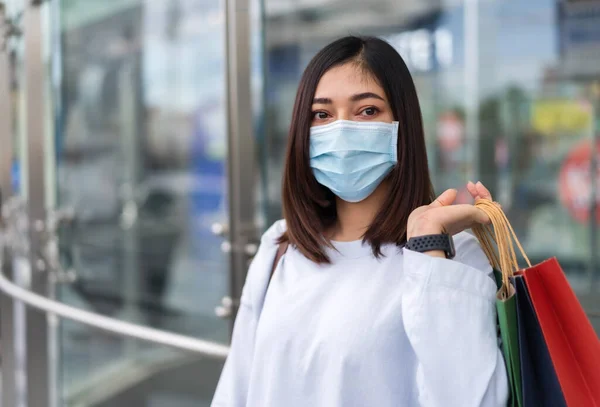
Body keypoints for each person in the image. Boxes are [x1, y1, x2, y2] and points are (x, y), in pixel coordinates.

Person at [212, 36, 508, 407]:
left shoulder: (455, 258)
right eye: (321, 114)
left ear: (403, 123)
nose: (341, 131)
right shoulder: (280, 247)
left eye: (367, 111)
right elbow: (237, 389)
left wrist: (428, 248)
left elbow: (469, 399)